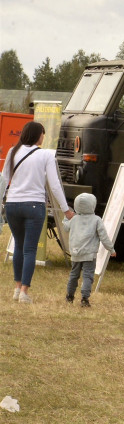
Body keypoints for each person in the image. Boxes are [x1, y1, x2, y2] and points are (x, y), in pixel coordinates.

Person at [0, 121, 74, 303]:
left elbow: (4, 180)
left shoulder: (12, 151)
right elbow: (55, 185)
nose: (44, 137)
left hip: (13, 205)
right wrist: (66, 209)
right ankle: (25, 291)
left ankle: (17, 288)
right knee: (30, 249)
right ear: (36, 135)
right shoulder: (46, 155)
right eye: (43, 133)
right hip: (34, 205)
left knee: (18, 245)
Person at [63, 193, 117, 307]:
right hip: (89, 254)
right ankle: (84, 299)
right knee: (87, 276)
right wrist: (111, 249)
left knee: (74, 275)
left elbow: (66, 227)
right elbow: (104, 236)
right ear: (93, 205)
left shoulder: (73, 219)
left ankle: (69, 296)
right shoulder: (96, 220)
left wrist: (65, 217)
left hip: (75, 253)